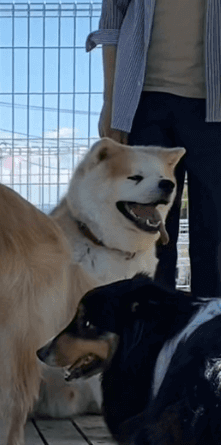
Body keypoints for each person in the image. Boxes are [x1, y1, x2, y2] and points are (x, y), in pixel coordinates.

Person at [87, 0, 221, 296]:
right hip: (145, 105)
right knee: (149, 233)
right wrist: (111, 103)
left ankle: (210, 333)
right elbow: (112, 22)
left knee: (213, 235)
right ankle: (153, 335)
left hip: (213, 109)